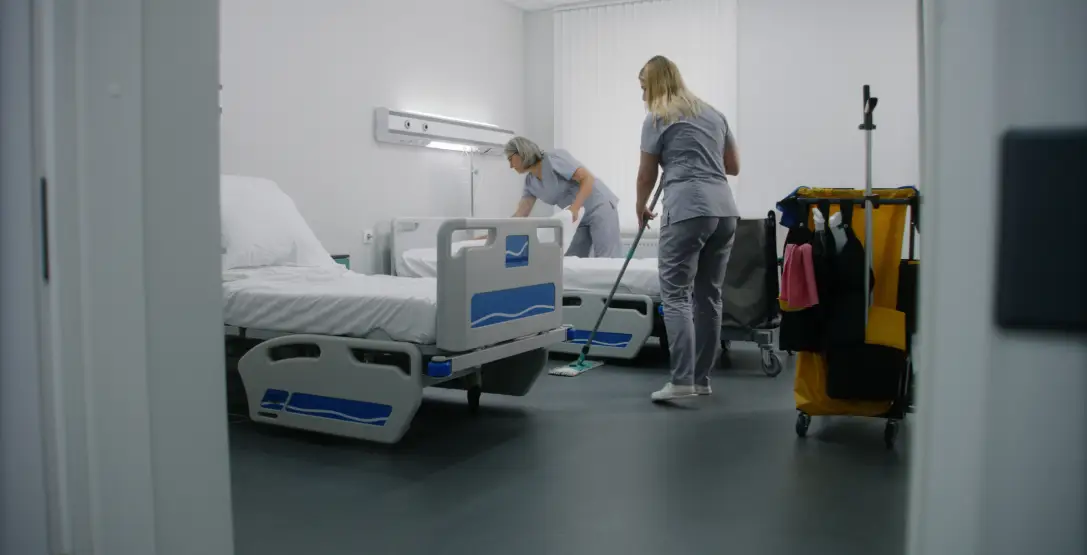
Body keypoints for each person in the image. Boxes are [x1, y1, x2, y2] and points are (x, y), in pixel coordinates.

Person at [635, 55, 741, 402]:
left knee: (676, 296)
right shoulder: (714, 114)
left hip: (687, 208)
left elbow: (646, 174)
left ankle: (681, 381)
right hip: (724, 211)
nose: (642, 96)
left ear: (654, 85)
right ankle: (700, 379)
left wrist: (641, 205)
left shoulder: (657, 118)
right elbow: (733, 166)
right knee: (709, 296)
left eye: (643, 88)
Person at [504, 136, 623, 258]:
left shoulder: (553, 158)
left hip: (598, 206)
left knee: (607, 259)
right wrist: (499, 232)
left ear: (521, 151)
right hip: (578, 217)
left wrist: (575, 208)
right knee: (571, 259)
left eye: (510, 159)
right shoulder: (530, 182)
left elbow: (588, 178)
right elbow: (520, 214)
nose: (510, 166)